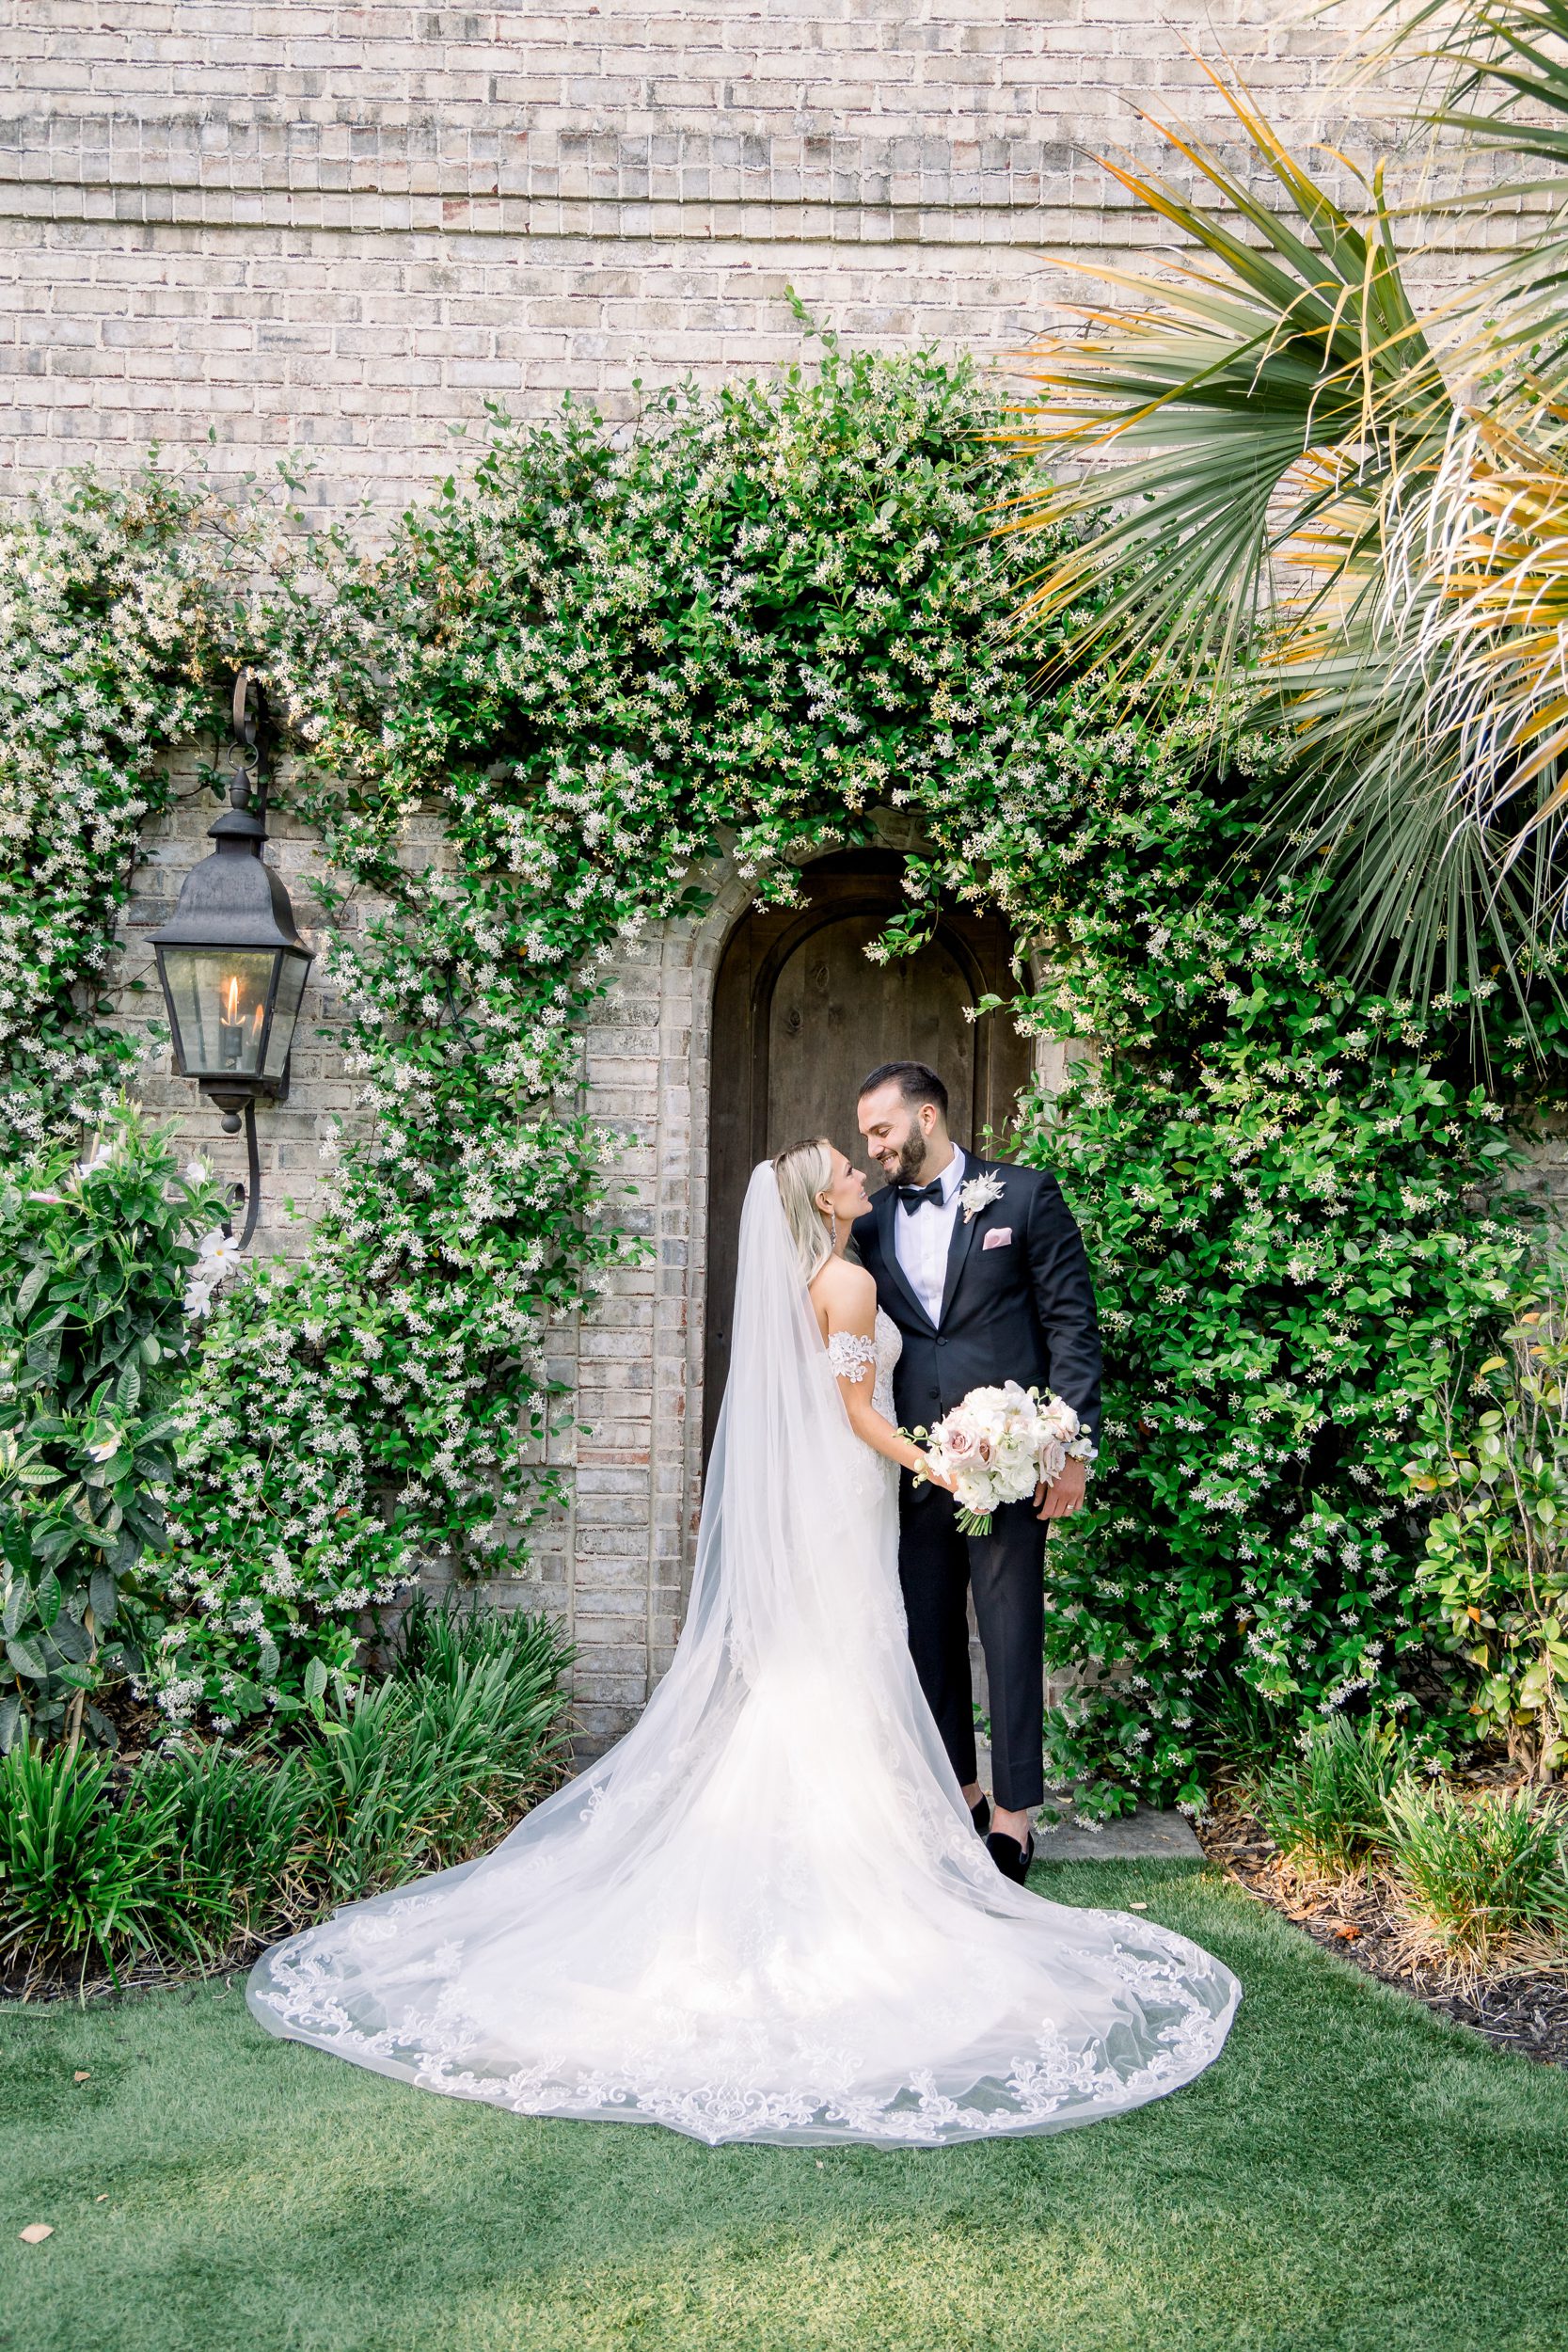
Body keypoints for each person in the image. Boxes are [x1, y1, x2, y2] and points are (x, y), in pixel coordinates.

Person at [247, 1145, 1237, 2146]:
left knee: (837, 1667)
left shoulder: (828, 1272)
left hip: (843, 1506)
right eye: (849, 1171)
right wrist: (943, 1460)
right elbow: (857, 1413)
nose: (864, 1177)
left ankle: (912, 1826)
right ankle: (862, 1858)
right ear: (823, 1199)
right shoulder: (847, 1278)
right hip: (858, 1498)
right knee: (846, 1663)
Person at [854, 1061, 1101, 1883]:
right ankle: (959, 1794)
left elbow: (1071, 1321)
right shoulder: (869, 1219)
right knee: (926, 1636)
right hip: (913, 1466)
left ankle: (1012, 1817)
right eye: (866, 1138)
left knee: (1010, 1634)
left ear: (927, 1116)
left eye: (882, 1131)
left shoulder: (1022, 1196)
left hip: (1011, 1460)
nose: (874, 1148)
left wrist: (1069, 1448)